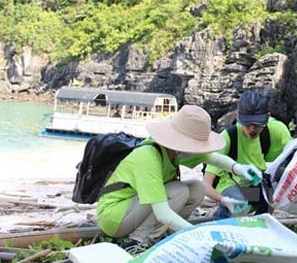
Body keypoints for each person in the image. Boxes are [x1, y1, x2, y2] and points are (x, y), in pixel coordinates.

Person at [96, 105, 259, 246]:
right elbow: (162, 213)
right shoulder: (148, 156)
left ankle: (167, 233)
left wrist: (239, 168)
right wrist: (196, 233)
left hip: (135, 208)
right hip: (115, 216)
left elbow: (211, 158)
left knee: (197, 188)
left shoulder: (173, 151)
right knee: (178, 191)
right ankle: (138, 241)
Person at [203, 91, 292, 219]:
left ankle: (263, 223)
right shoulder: (228, 137)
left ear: (267, 117)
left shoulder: (277, 131)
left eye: (257, 124)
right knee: (238, 202)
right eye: (247, 123)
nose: (252, 129)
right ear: (238, 116)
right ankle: (220, 222)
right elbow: (206, 184)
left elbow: (292, 162)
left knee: (271, 192)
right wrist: (223, 200)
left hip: (257, 189)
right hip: (231, 188)